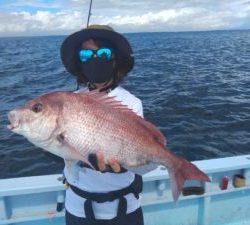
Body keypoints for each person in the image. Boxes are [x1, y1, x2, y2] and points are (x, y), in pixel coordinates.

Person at [60, 24, 144, 225]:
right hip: (78, 206)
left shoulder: (132, 103)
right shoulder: (68, 102)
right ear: (80, 62)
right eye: (86, 55)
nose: (95, 59)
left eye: (103, 53)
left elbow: (138, 149)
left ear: (115, 60)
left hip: (125, 206)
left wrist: (122, 165)